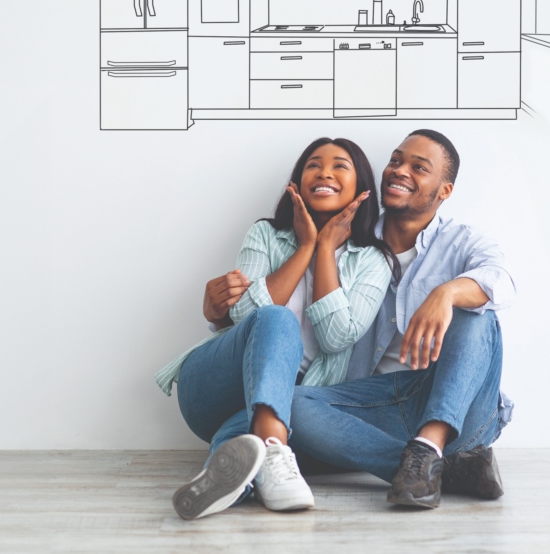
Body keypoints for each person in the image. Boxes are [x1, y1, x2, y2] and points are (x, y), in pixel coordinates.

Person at [201, 129, 514, 509]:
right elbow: (291, 322)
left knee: (476, 314)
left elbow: (501, 281)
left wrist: (445, 293)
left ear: (444, 190)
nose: (400, 171)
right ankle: (438, 470)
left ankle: (430, 445)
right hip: (367, 407)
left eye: (419, 167)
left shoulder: (462, 241)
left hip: (453, 406)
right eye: (396, 161)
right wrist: (222, 319)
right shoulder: (355, 240)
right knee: (290, 403)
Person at [155, 137, 397, 520]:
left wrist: (325, 253)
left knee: (249, 428)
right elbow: (242, 316)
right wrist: (306, 248)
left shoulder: (375, 260)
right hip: (213, 385)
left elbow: (337, 336)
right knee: (276, 317)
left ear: (361, 189)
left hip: (287, 402)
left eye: (340, 166)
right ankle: (275, 449)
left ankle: (234, 481)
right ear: (297, 183)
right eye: (314, 165)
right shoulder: (265, 235)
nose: (325, 172)